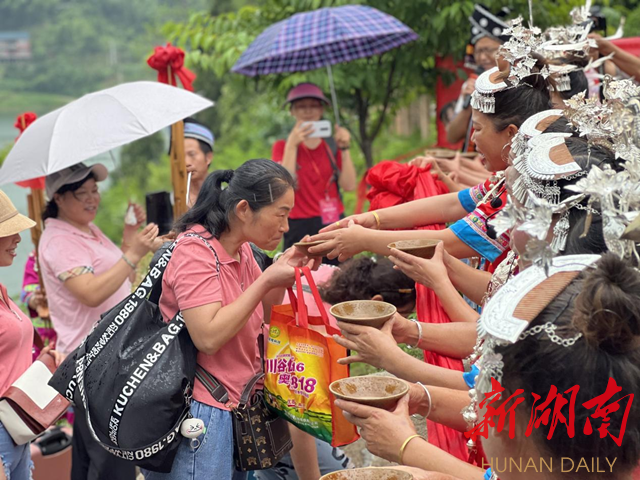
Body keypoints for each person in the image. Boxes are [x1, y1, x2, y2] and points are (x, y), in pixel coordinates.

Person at [143, 159, 317, 480]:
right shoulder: (194, 252)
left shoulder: (243, 249)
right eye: (281, 214)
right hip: (201, 412)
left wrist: (282, 274)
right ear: (243, 209)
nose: (286, 226)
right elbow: (207, 336)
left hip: (238, 405)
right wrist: (267, 280)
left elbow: (262, 315)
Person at [39, 162, 158, 480]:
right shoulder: (59, 241)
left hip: (109, 356)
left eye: (95, 191)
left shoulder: (86, 229)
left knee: (93, 457)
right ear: (59, 199)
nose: (93, 199)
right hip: (93, 361)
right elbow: (90, 292)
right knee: (111, 460)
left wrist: (128, 239)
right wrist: (132, 253)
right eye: (82, 194)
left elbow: (119, 279)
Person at [0, 189, 64, 480]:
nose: (17, 239)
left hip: (16, 428)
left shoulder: (3, 293)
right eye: (9, 231)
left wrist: (40, 362)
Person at [272, 83, 357, 255]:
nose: (308, 111)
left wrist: (345, 148)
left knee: (338, 277)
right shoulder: (282, 146)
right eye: (301, 107)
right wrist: (292, 146)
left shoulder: (331, 144)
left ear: (321, 110)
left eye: (313, 106)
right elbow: (283, 186)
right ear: (292, 111)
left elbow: (349, 185)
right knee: (301, 277)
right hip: (297, 223)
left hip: (333, 222)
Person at [446, 4, 511, 145]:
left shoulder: (518, 83)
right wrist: (470, 102)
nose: (482, 58)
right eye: (478, 52)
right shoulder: (471, 84)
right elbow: (452, 137)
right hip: (474, 161)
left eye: (488, 50)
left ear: (505, 50)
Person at [183, 118, 215, 206]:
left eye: (192, 154)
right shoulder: (172, 202)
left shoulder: (225, 197)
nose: (186, 162)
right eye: (181, 156)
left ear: (208, 157)